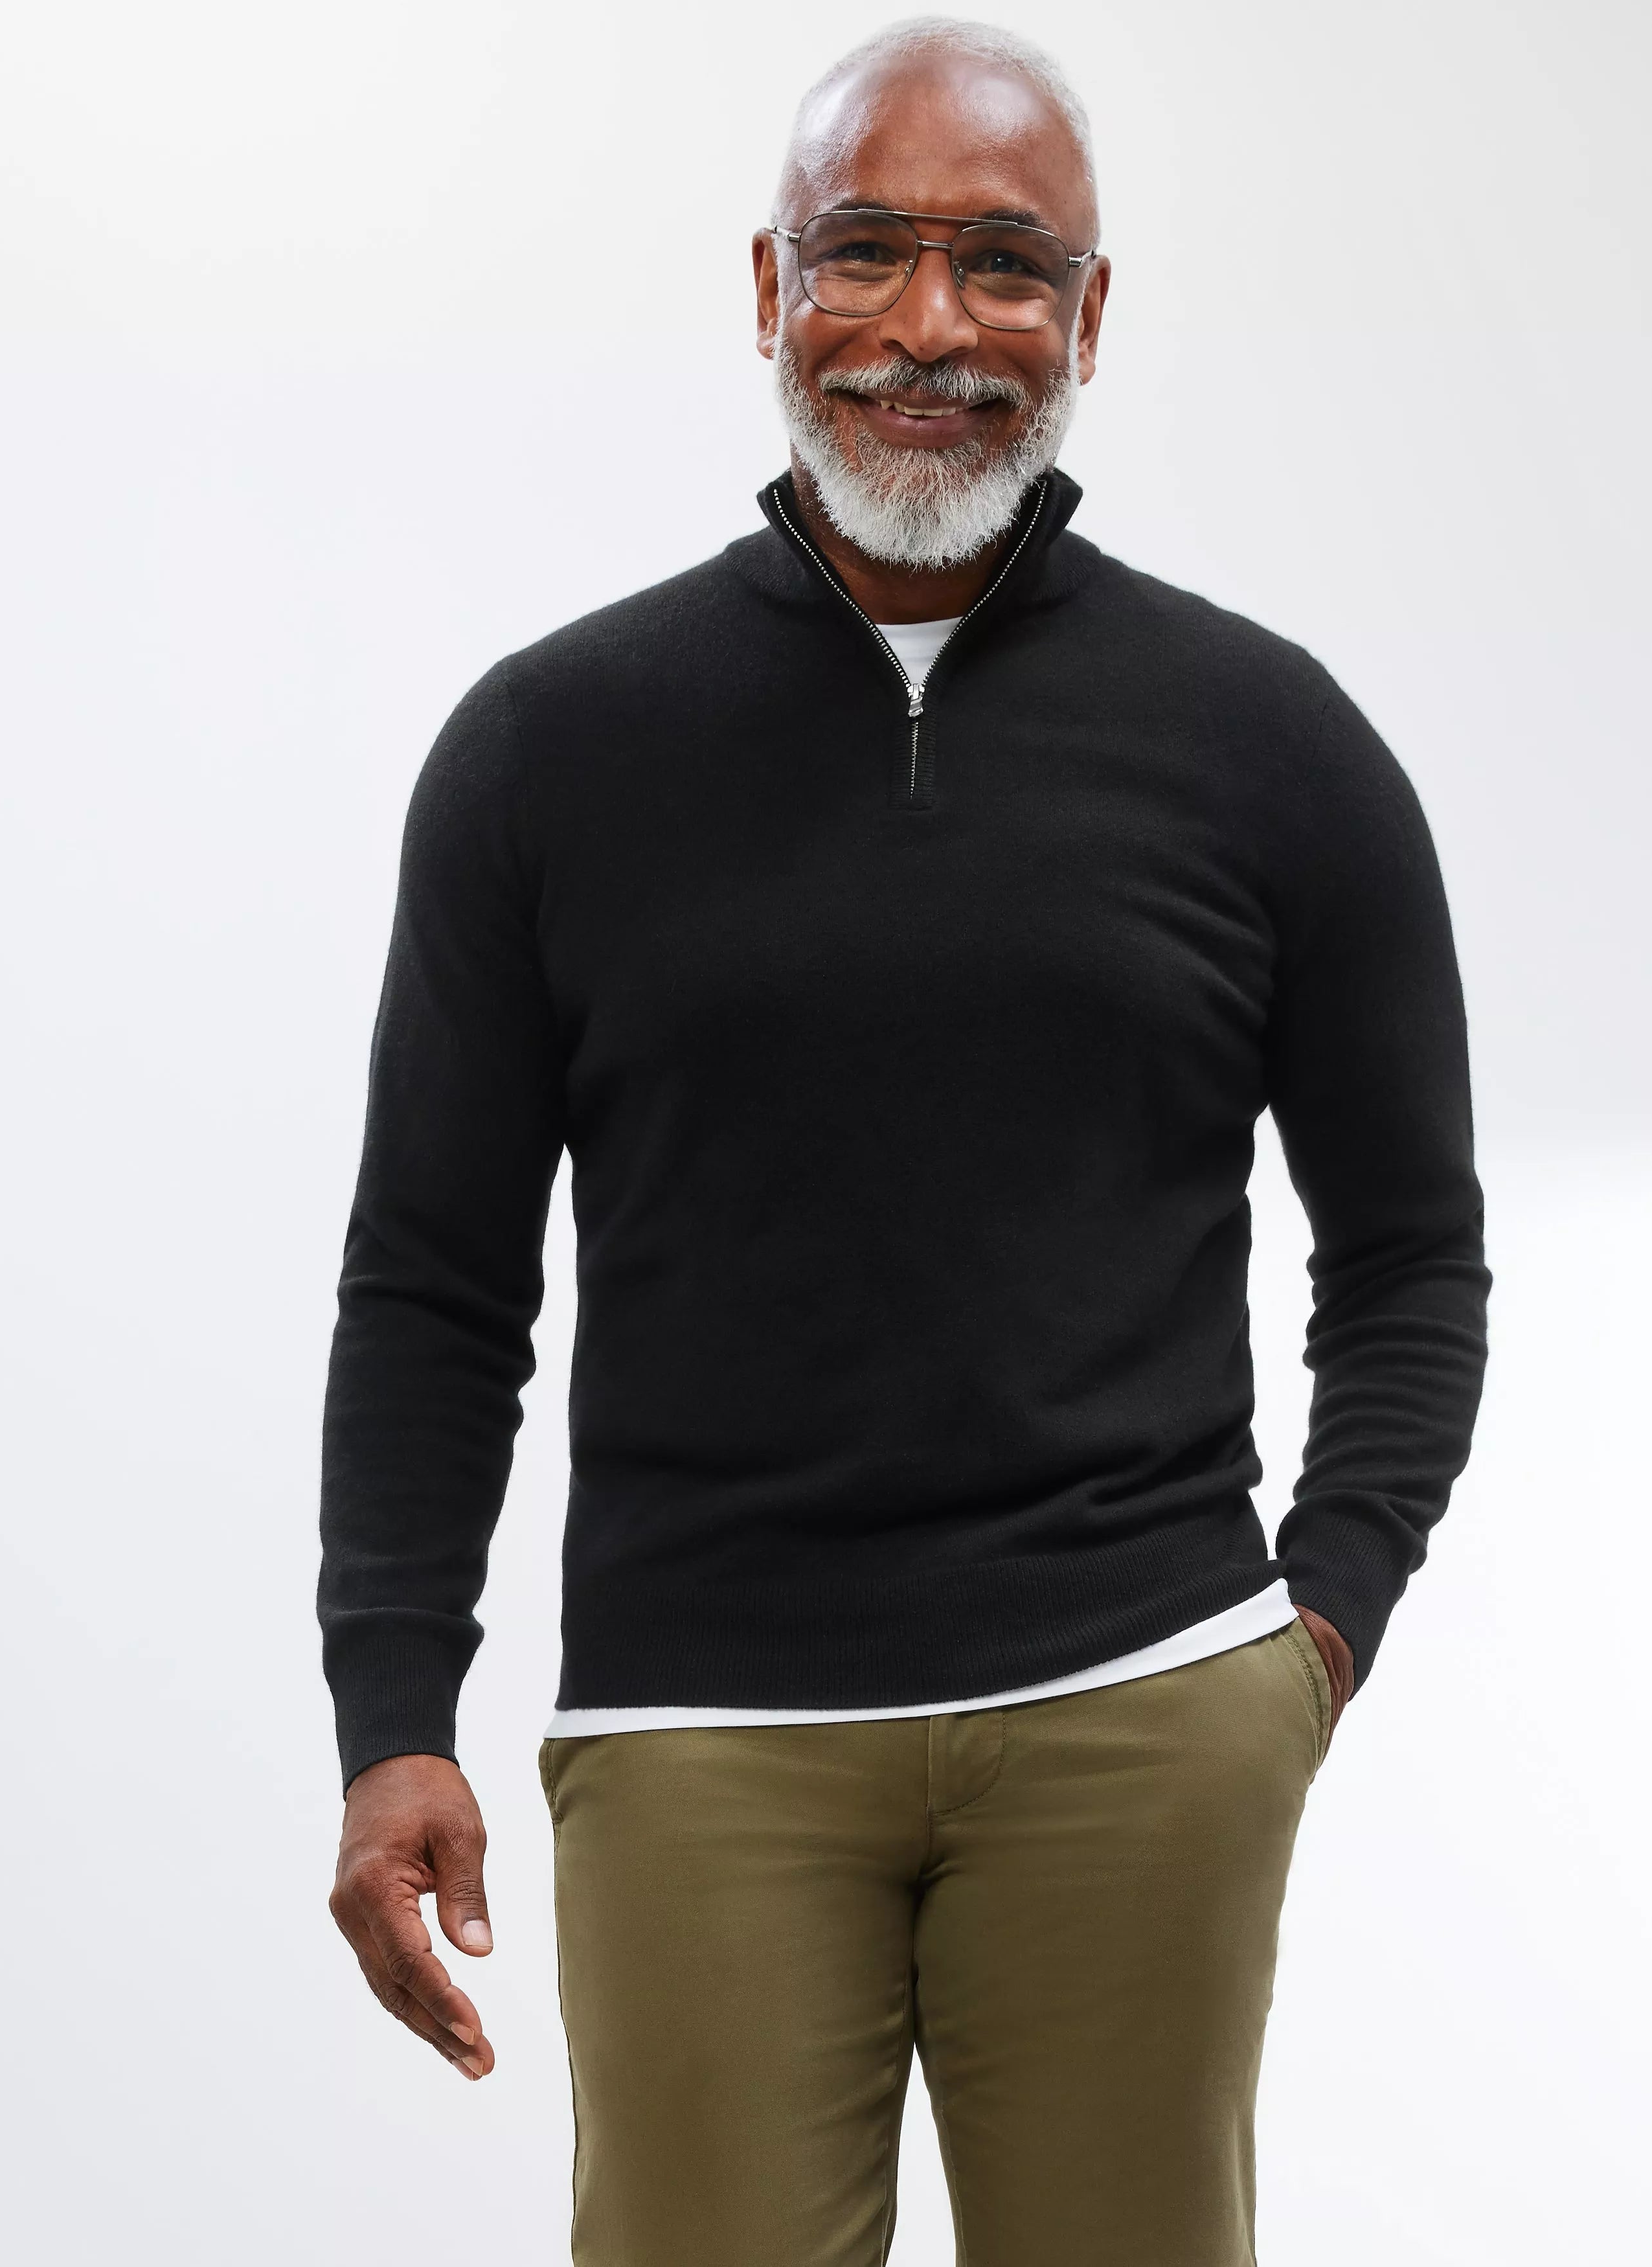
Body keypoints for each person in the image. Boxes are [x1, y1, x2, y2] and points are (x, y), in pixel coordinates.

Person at [319, 18, 1491, 2263]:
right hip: (698, 1729)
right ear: (769, 287)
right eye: (863, 250)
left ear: (1088, 316)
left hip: (1140, 1704)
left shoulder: (1271, 746)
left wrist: (1312, 1633)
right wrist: (392, 1710)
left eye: (1002, 263)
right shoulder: (547, 752)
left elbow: (1410, 1256)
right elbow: (433, 1287)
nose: (929, 325)